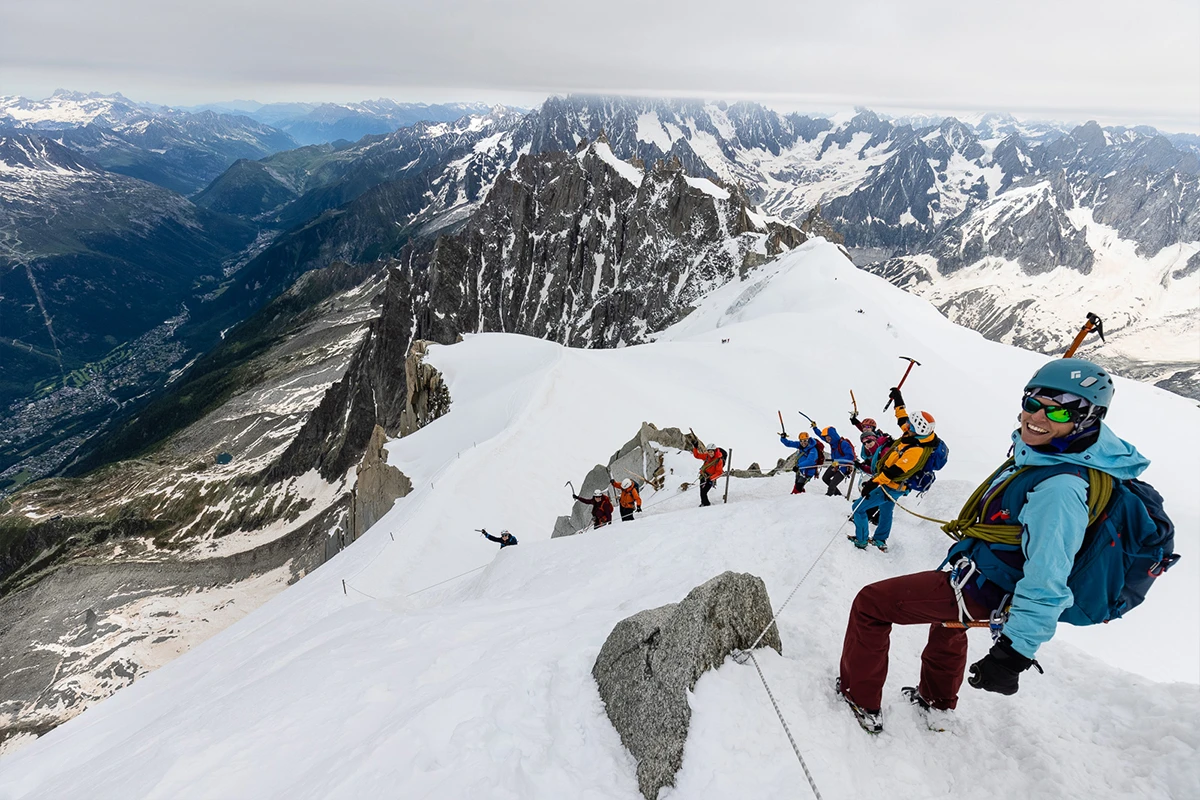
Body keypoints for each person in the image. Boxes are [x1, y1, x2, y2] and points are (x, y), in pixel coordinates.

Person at [837, 359, 1143, 734]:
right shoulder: (1060, 454)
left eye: (1059, 410)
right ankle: (936, 701)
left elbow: (1048, 578)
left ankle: (859, 696)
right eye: (1032, 403)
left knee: (872, 604)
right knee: (949, 622)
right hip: (987, 577)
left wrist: (1015, 653)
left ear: (1088, 417)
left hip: (989, 585)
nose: (1037, 417)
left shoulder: (1060, 488)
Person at [847, 387, 941, 552]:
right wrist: (898, 399)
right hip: (895, 486)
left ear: (918, 429)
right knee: (886, 510)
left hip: (891, 485)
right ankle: (880, 540)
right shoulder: (915, 434)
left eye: (911, 426)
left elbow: (894, 472)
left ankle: (861, 541)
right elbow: (901, 418)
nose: (907, 426)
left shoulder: (916, 450)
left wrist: (873, 483)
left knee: (858, 508)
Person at [813, 424, 856, 496]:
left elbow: (850, 456)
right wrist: (815, 428)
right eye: (826, 438)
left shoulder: (844, 444)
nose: (827, 439)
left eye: (829, 437)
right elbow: (821, 436)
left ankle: (829, 496)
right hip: (835, 463)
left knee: (833, 483)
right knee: (825, 478)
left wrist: (838, 460)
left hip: (845, 466)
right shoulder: (832, 443)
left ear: (833, 435)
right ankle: (838, 495)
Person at [689, 438, 726, 507]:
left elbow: (719, 472)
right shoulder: (707, 456)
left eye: (711, 452)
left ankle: (706, 504)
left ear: (714, 451)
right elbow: (697, 455)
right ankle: (704, 503)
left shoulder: (719, 460)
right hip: (704, 475)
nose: (710, 453)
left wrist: (711, 478)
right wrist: (695, 447)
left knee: (704, 491)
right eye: (709, 451)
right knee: (701, 490)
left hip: (710, 478)